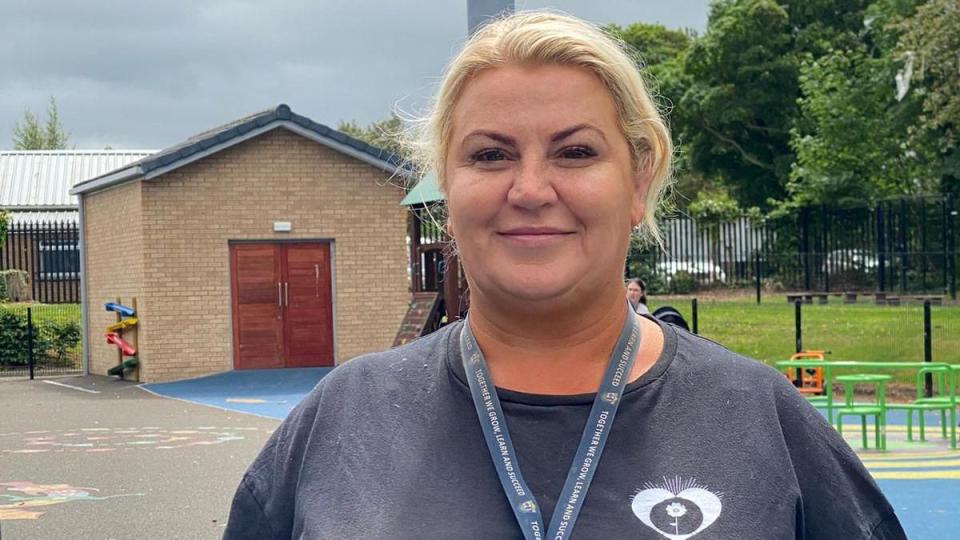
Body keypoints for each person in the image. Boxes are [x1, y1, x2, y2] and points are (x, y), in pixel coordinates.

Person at [224, 12, 905, 539]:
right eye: (490, 155)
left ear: (637, 183)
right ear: (448, 196)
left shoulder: (759, 419)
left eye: (575, 152)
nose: (529, 188)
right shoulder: (343, 423)